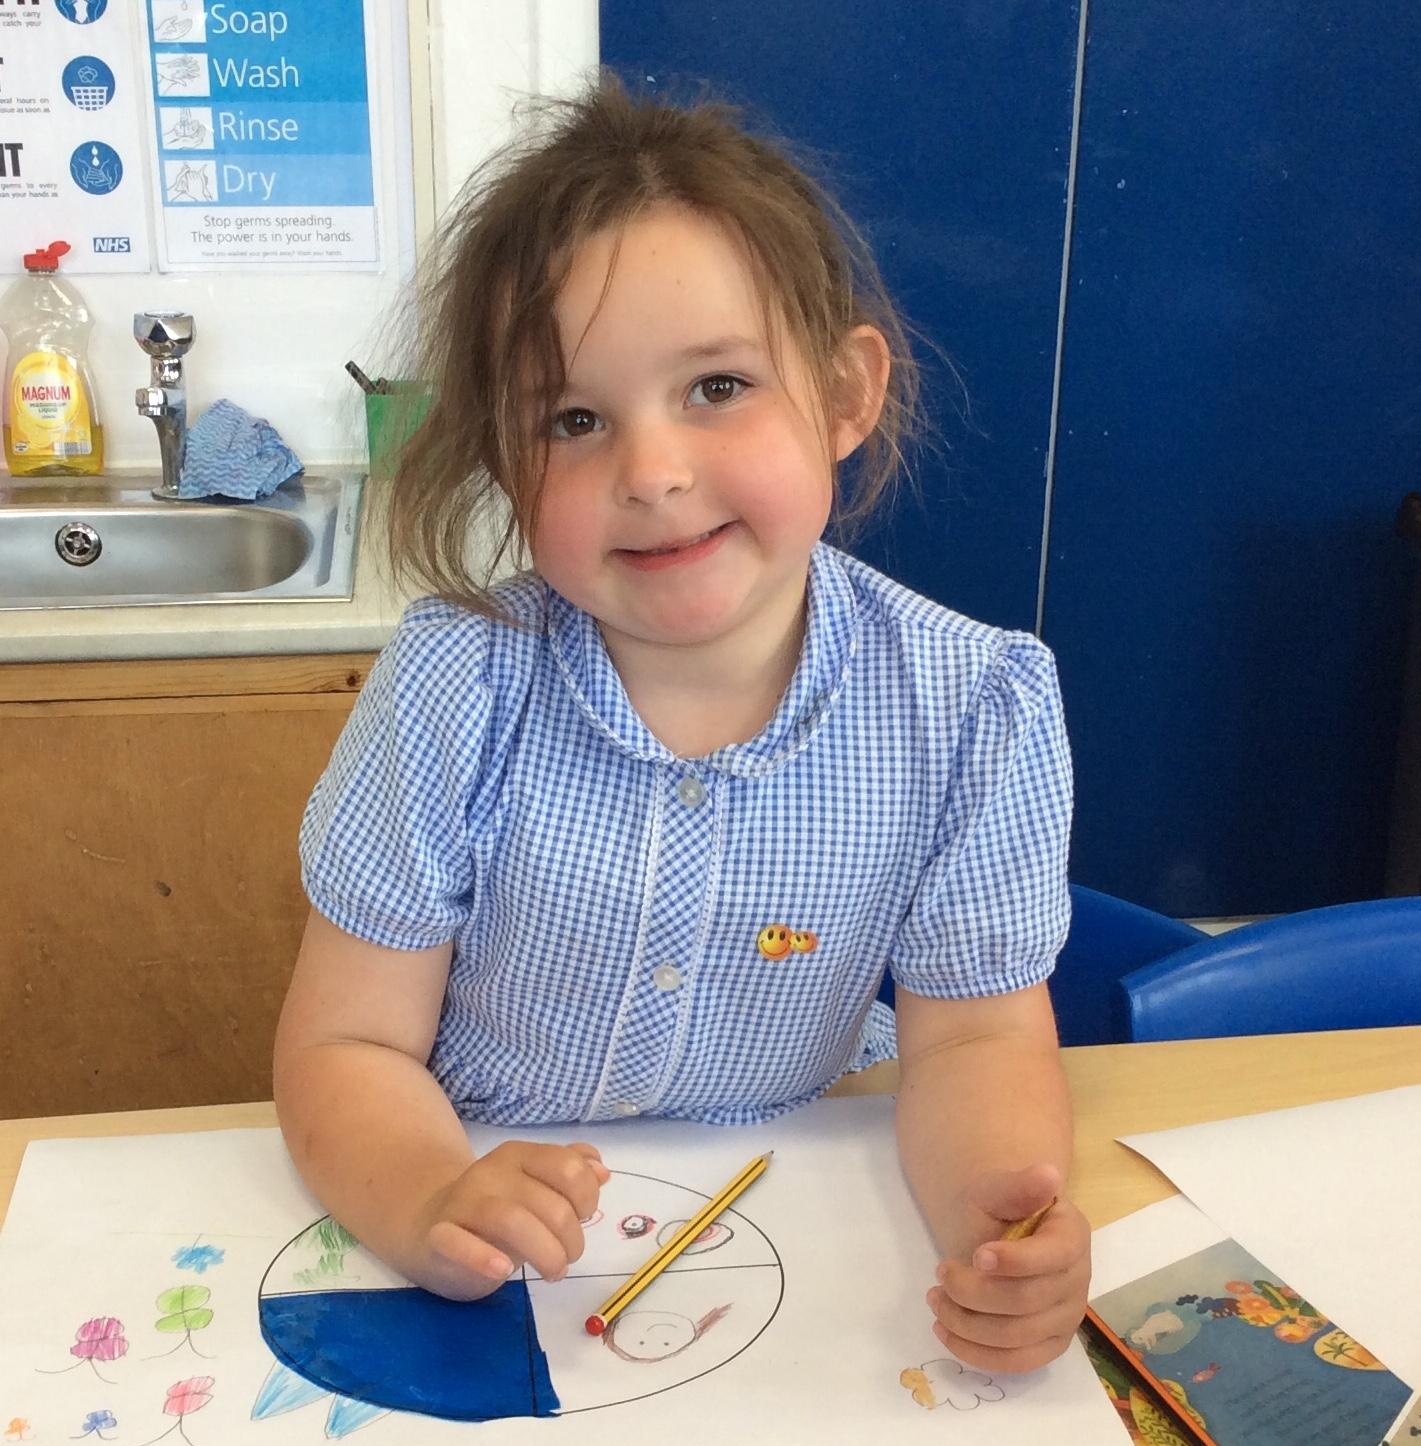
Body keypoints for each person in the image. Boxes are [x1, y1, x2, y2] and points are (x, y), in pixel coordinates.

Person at [273, 73, 1087, 1374]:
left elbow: (977, 1037)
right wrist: (427, 1196)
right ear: (502, 461)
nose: (650, 472)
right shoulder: (452, 685)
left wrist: (997, 1229)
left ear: (844, 393)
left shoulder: (974, 706)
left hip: (791, 1222)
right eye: (574, 420)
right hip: (492, 1222)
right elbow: (347, 1042)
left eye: (716, 386)